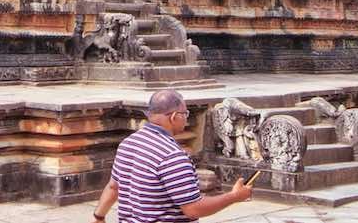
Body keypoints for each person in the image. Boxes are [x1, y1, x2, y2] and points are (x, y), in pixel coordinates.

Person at [91, 89, 252, 223]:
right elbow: (193, 208)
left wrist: (99, 216)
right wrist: (233, 196)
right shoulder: (172, 156)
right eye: (185, 113)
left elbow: (113, 186)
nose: (186, 118)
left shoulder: (128, 143)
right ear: (175, 117)